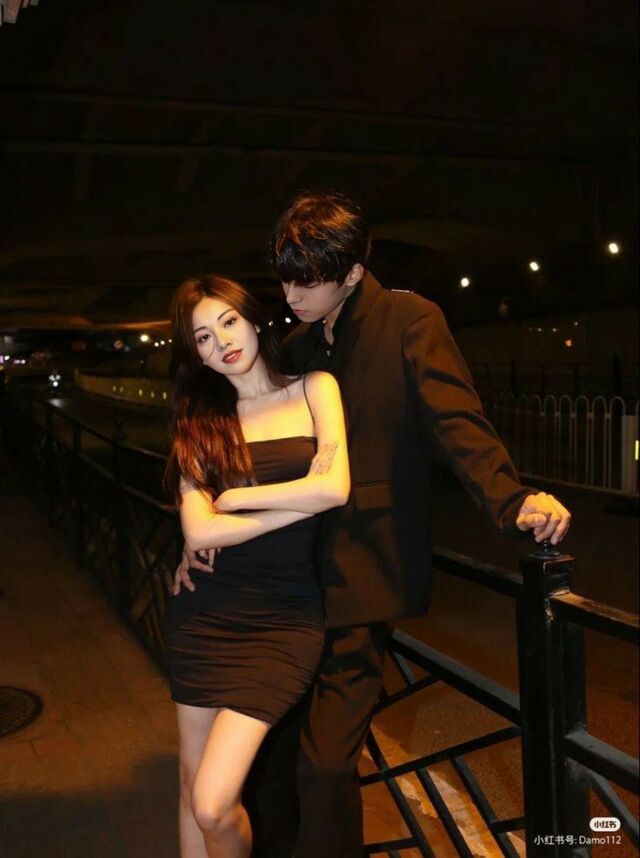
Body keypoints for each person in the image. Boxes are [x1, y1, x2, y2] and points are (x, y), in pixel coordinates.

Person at [175, 195, 571, 857]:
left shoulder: (408, 321)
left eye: (308, 281)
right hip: (287, 582)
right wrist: (200, 535)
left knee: (325, 765)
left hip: (362, 575)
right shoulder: (298, 347)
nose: (292, 296)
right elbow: (243, 442)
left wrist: (513, 500)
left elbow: (458, 424)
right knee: (272, 765)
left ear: (353, 272)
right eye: (286, 280)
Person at [163, 273, 350, 858]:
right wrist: (299, 499)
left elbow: (336, 489)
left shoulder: (315, 388)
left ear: (251, 319)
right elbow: (199, 531)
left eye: (228, 322)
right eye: (203, 337)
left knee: (214, 803)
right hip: (205, 614)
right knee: (191, 785)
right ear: (195, 354)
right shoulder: (198, 420)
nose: (222, 341)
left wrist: (238, 498)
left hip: (284, 620)